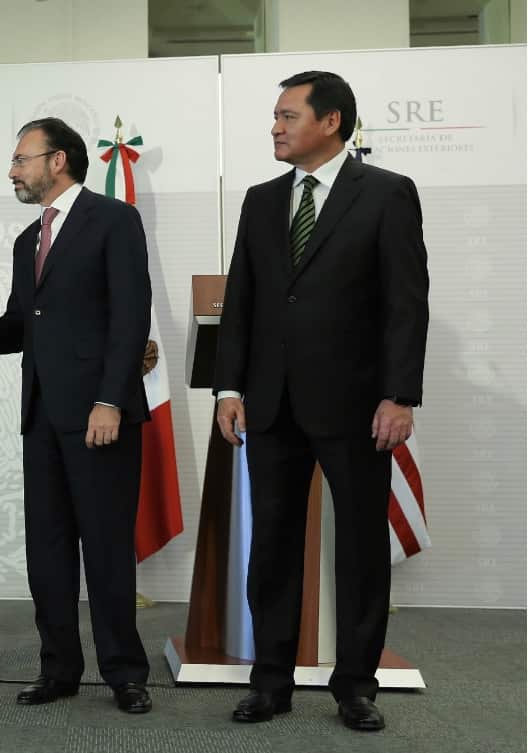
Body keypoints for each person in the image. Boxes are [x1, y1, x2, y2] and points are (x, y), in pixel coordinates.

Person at [214, 71, 429, 732]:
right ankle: (270, 681)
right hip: (271, 404)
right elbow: (242, 301)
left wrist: (400, 394)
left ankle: (355, 686)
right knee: (271, 546)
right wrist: (229, 386)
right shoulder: (260, 199)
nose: (275, 127)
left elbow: (405, 302)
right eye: (274, 117)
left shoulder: (387, 194)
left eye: (287, 115)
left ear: (331, 121)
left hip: (359, 406)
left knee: (362, 550)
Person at [0, 117, 154, 714]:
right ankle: (58, 669)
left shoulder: (114, 220)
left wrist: (110, 399)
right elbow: (25, 325)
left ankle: (125, 674)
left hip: (100, 416)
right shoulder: (25, 241)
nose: (12, 170)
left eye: (20, 159)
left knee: (108, 549)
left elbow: (129, 317)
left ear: (57, 160)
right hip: (40, 417)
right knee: (49, 551)